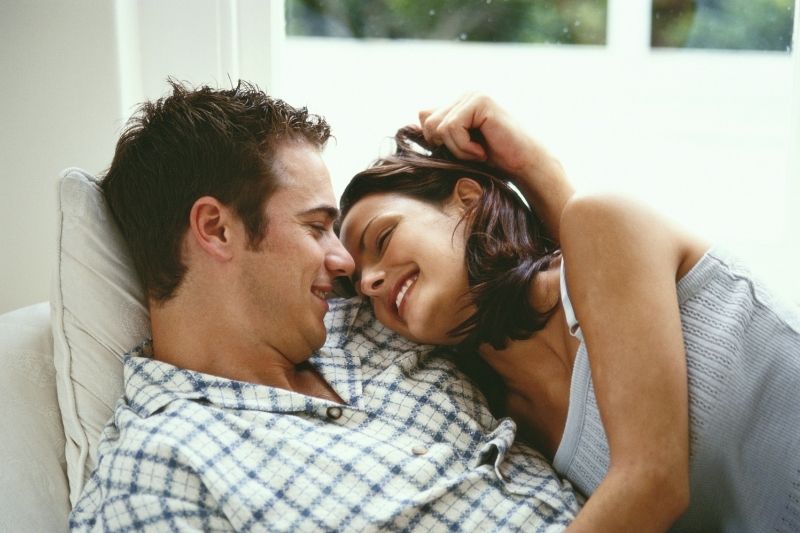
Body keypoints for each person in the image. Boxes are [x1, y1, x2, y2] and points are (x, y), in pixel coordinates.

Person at [68, 81, 583, 531]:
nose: (347, 265)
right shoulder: (157, 471)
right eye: (315, 227)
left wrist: (535, 170)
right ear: (216, 229)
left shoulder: (371, 318)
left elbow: (560, 306)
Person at [337, 93, 800, 532]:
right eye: (361, 287)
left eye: (381, 239)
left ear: (467, 200)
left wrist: (529, 167)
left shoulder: (603, 222)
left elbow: (653, 483)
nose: (370, 282)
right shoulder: (503, 423)